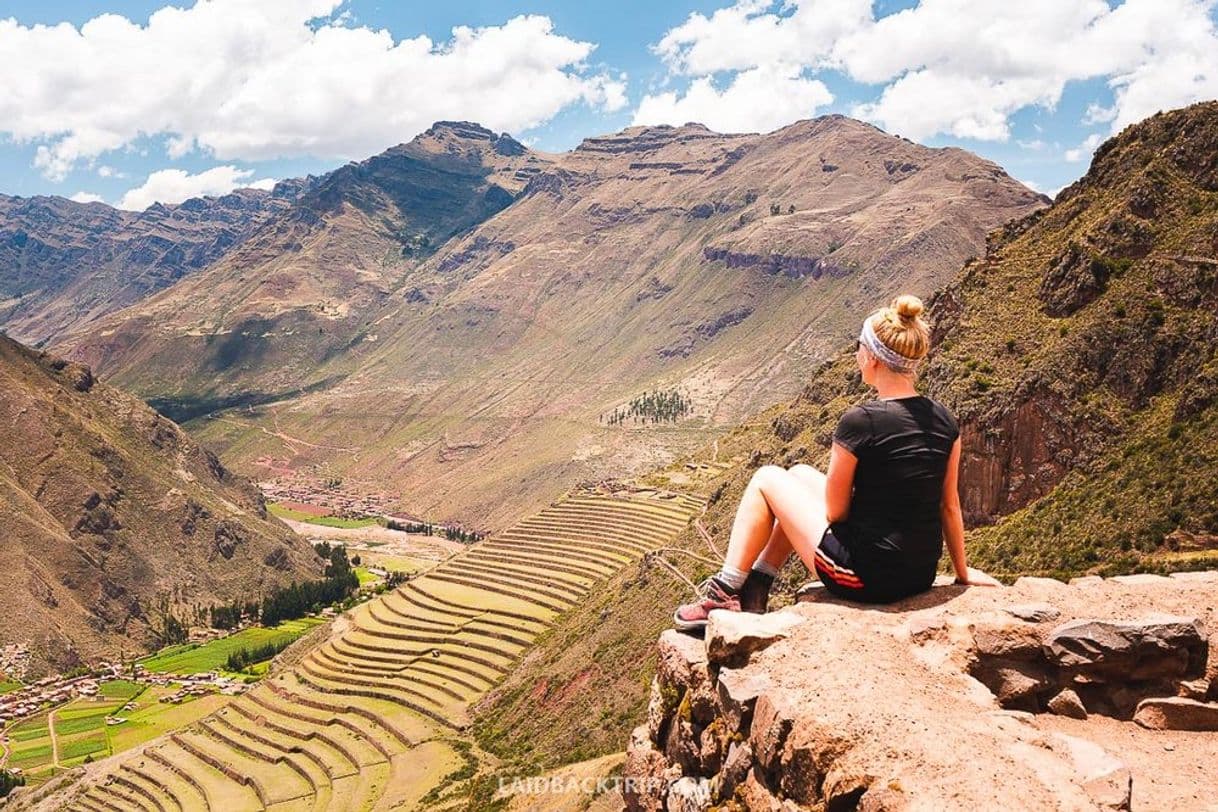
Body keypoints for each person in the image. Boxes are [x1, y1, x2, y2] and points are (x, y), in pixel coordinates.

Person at [674, 294, 997, 631]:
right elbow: (949, 505)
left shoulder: (861, 421)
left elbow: (836, 513)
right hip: (918, 574)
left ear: (871, 358)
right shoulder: (944, 420)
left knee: (767, 478)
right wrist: (962, 573)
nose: (856, 354)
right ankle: (756, 588)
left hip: (865, 577)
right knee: (798, 474)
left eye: (859, 346)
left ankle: (725, 591)